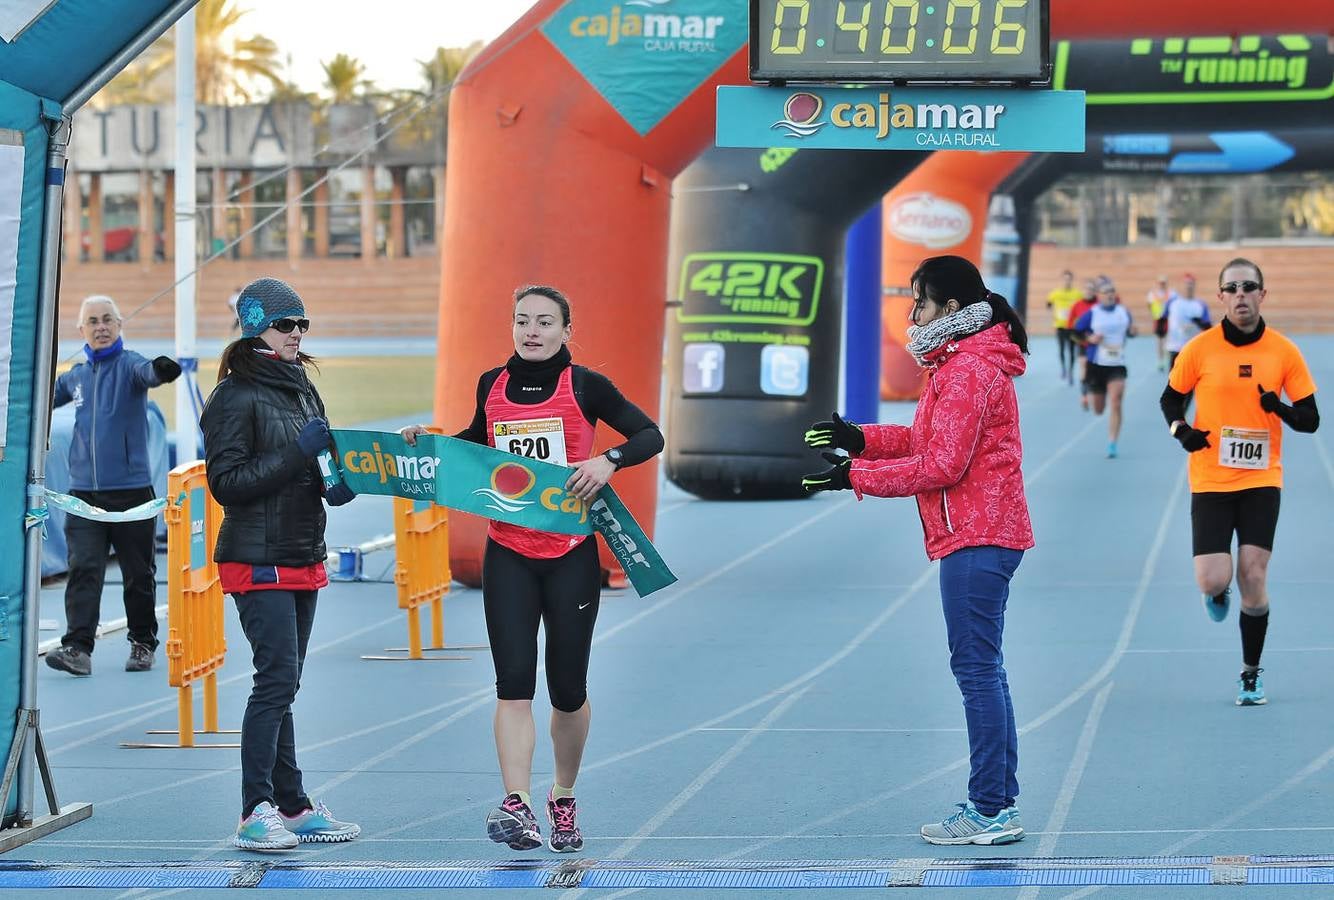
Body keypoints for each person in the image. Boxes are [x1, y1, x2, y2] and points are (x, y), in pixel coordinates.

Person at [402, 284, 663, 854]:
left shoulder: (586, 386)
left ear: (567, 331)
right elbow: (476, 444)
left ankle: (562, 796)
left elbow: (650, 435)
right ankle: (516, 803)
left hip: (569, 554)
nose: (532, 331)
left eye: (545, 322)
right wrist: (429, 444)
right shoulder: (491, 384)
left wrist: (607, 460)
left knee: (567, 691)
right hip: (509, 552)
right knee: (513, 683)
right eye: (523, 320)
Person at [802, 256, 1033, 846]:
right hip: (980, 533)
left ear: (950, 308)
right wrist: (860, 439)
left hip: (978, 535)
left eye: (921, 302)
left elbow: (941, 465)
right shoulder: (959, 363)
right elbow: (922, 439)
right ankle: (997, 803)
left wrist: (853, 476)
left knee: (977, 671)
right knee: (985, 669)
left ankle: (989, 809)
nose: (913, 314)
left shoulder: (967, 370)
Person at [200, 277, 359, 851]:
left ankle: (292, 805)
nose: (297, 333)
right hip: (255, 556)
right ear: (256, 329)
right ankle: (254, 810)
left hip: (300, 551)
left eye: (302, 324)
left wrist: (335, 481)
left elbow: (312, 466)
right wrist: (297, 454)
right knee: (274, 681)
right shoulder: (233, 395)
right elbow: (226, 484)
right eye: (285, 324)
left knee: (285, 683)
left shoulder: (301, 388)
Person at [1160, 258, 1318, 707]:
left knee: (1254, 574)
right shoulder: (1199, 350)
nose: (1241, 295)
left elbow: (1310, 419)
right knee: (1212, 580)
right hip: (1210, 478)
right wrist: (1182, 431)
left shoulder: (1284, 352)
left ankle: (1250, 674)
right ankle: (1217, 590)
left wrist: (1278, 408)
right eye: (1232, 288)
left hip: (1262, 478)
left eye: (1249, 287)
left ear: (1262, 295)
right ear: (1221, 297)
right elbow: (1170, 399)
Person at [45, 295, 181, 677]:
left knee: (138, 574)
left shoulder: (130, 365)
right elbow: (40, 401)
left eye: (107, 319)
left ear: (119, 325)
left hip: (131, 494)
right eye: (93, 321)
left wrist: (163, 368)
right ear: (82, 329)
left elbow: (150, 373)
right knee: (84, 569)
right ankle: (77, 648)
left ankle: (142, 643)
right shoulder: (76, 376)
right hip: (83, 496)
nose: (101, 327)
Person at [1073, 277, 1135, 458]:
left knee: (1116, 402)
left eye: (1112, 292)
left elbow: (1131, 331)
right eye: (1106, 292)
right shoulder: (1092, 314)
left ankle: (1112, 443)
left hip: (1117, 365)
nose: (1110, 295)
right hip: (1096, 365)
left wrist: (1133, 331)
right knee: (1099, 409)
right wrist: (1089, 339)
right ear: (1099, 296)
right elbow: (1075, 334)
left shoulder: (1123, 312)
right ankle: (1093, 396)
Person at [1161, 273, 1210, 372]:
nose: (1189, 286)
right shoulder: (1172, 303)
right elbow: (1162, 320)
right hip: (1175, 347)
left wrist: (1199, 323)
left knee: (1193, 379)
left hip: (1194, 349)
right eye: (1186, 283)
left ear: (1195, 285)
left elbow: (1208, 327)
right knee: (1174, 379)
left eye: (1191, 283)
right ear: (1181, 285)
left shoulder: (1201, 305)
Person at [1045, 270, 1082, 385]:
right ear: (1062, 280)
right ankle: (1063, 368)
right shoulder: (1055, 293)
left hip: (1072, 326)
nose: (1067, 281)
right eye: (1065, 279)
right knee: (1061, 349)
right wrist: (1054, 313)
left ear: (1072, 280)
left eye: (1069, 279)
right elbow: (1048, 305)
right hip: (1060, 326)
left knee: (1072, 350)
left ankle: (1071, 372)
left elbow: (1081, 308)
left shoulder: (1077, 294)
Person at [1066, 279, 1098, 412]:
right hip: (1083, 343)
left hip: (1098, 345)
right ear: (1083, 291)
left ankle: (1095, 392)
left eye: (1091, 289)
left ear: (1095, 291)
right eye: (1087, 289)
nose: (1089, 292)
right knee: (1083, 367)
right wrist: (1080, 338)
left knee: (1095, 370)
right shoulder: (1077, 305)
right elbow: (1070, 325)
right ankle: (1084, 395)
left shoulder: (1099, 305)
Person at [1147, 274, 1178, 372]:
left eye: (1163, 283)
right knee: (1159, 341)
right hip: (1158, 319)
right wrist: (1153, 314)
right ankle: (1160, 361)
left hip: (1168, 319)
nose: (1162, 285)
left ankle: (1168, 359)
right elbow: (1149, 305)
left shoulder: (1172, 293)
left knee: (1169, 340)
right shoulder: (1152, 294)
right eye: (1160, 283)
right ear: (1157, 283)